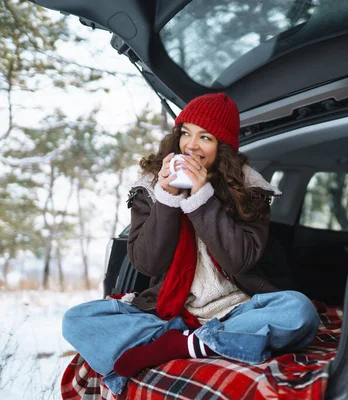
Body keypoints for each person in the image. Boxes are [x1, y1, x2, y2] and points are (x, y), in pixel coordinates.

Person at [62, 93, 320, 395]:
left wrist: (201, 199)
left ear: (222, 148)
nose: (191, 145)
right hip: (170, 314)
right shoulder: (150, 188)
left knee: (299, 311)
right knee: (75, 320)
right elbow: (148, 264)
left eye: (205, 137)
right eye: (185, 133)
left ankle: (185, 345)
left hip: (238, 311)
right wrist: (167, 198)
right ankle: (196, 342)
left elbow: (239, 261)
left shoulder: (250, 191)